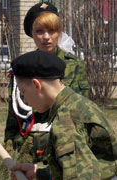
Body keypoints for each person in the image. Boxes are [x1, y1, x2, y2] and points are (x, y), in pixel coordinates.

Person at [5, 2, 90, 179]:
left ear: (59, 32)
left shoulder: (73, 65)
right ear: (32, 34)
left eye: (52, 31)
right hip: (27, 149)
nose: (46, 37)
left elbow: (81, 114)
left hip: (60, 148)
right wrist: (10, 150)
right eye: (40, 31)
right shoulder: (21, 68)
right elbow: (13, 118)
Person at [9, 50, 117, 180]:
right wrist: (39, 174)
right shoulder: (78, 104)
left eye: (23, 92)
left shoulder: (65, 121)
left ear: (36, 85)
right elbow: (86, 164)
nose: (25, 100)